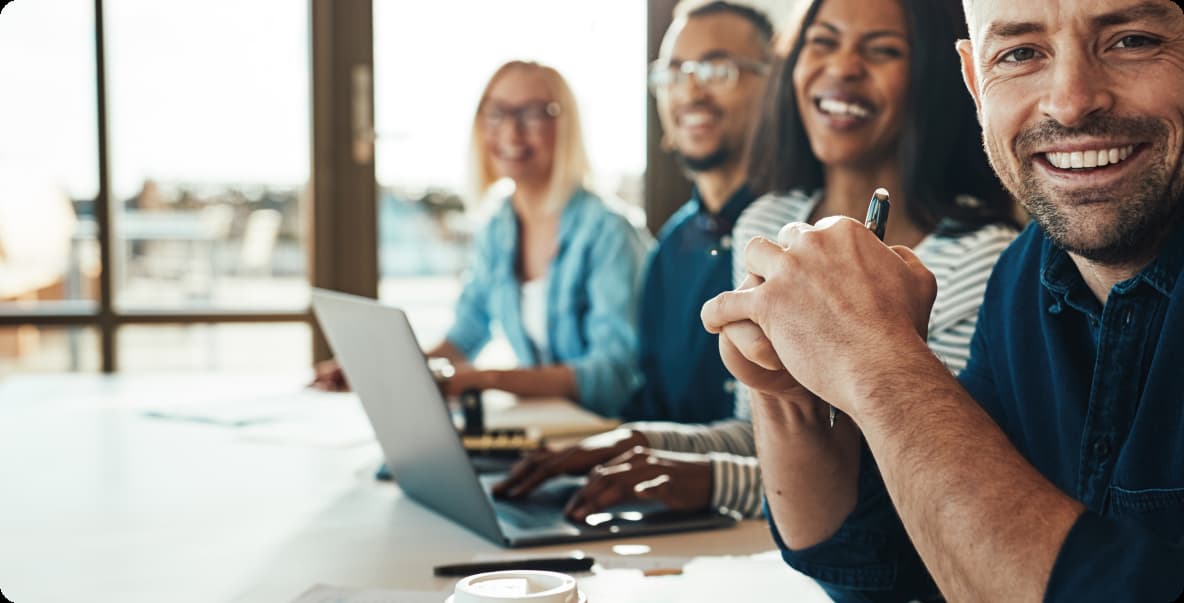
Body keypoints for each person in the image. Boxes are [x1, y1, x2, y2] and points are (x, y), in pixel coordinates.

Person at [701, 0, 1184, 600]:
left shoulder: (992, 255)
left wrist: (878, 361)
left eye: (1132, 41)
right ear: (975, 83)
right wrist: (790, 392)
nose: (1070, 100)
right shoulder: (1025, 274)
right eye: (1020, 53)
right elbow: (889, 566)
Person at [495, 0, 1020, 523]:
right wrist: (633, 442)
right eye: (823, 42)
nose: (841, 67)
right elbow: (762, 434)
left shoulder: (982, 258)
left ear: (935, 74)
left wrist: (714, 481)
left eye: (882, 50)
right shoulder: (766, 221)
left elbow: (924, 474)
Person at [492, 0, 774, 503]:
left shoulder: (791, 235)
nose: (689, 89)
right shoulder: (673, 246)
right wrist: (599, 450)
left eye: (715, 69)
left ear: (776, 86)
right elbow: (653, 401)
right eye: (673, 72)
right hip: (671, 512)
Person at [313, 60, 648, 417]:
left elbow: (611, 378)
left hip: (615, 437)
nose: (510, 132)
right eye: (496, 112)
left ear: (567, 127)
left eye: (533, 113)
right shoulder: (498, 227)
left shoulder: (609, 232)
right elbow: (463, 338)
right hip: (551, 432)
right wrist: (380, 371)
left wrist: (482, 380)